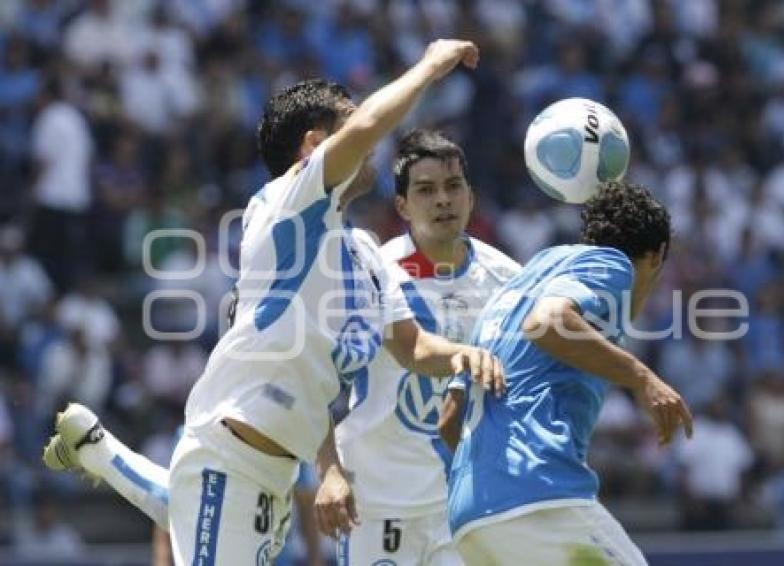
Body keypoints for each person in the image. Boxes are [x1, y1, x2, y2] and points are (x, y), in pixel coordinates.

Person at [43, 39, 506, 565]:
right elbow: (364, 131)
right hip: (229, 459)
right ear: (313, 148)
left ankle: (102, 450)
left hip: (276, 474)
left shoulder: (362, 253)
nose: (372, 140)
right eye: (353, 122)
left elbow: (412, 346)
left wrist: (466, 356)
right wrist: (427, 68)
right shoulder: (287, 206)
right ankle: (113, 457)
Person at [446, 182, 694, 566]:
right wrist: (643, 377)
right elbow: (546, 323)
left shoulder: (521, 283)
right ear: (658, 255)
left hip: (472, 516)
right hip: (537, 498)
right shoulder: (613, 265)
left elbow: (449, 419)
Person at [316, 129, 520, 565]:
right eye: (426, 190)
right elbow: (312, 379)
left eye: (453, 187)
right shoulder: (372, 273)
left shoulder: (506, 278)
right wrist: (329, 470)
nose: (442, 200)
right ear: (403, 206)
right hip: (376, 499)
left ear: (471, 197)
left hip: (464, 504)